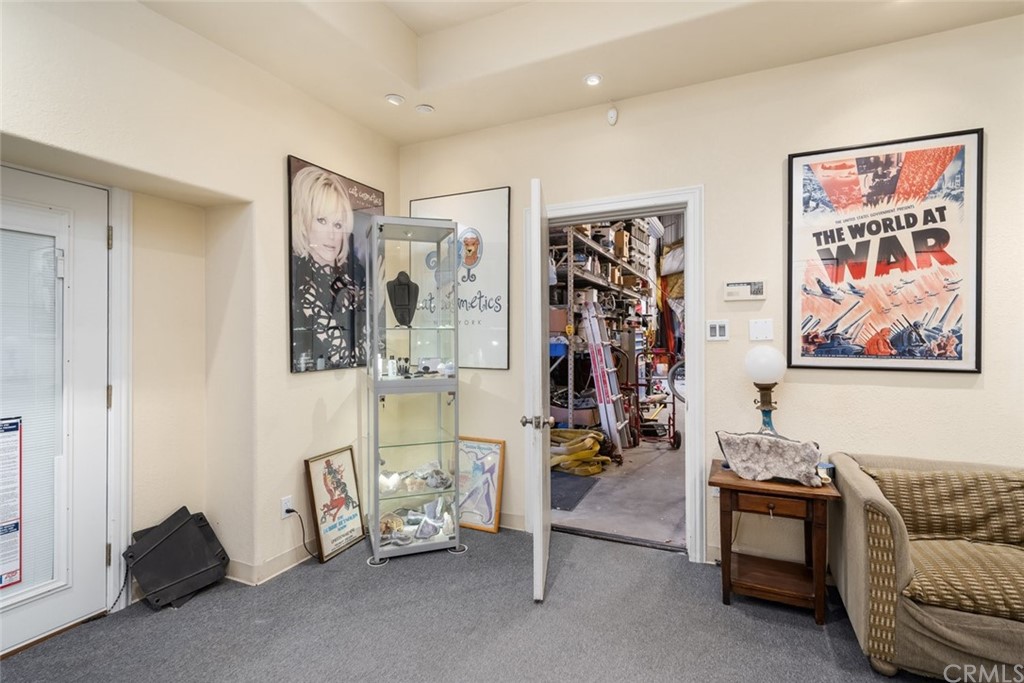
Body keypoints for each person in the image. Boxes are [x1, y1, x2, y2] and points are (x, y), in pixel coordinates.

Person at [290, 165, 366, 370]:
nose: (332, 235)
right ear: (303, 222)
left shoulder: (350, 281)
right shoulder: (304, 288)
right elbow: (343, 355)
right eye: (322, 220)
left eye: (338, 225)